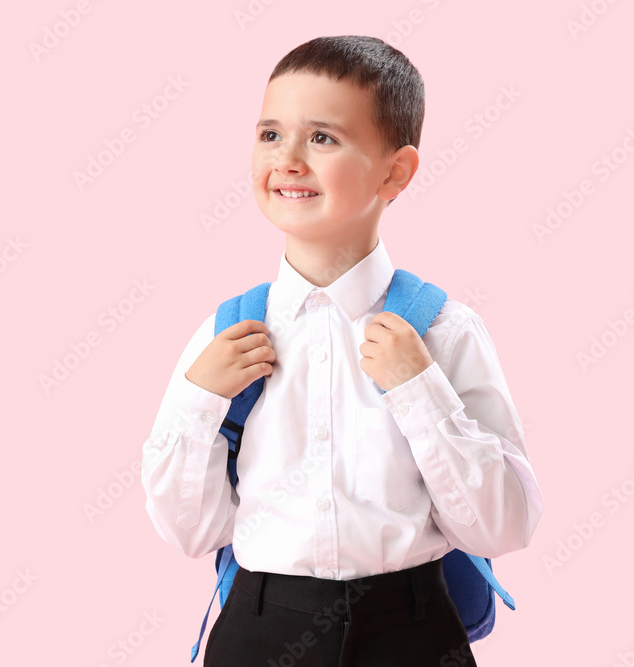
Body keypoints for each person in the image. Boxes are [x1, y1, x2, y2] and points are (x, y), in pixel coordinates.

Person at [140, 35, 544, 666]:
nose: (288, 160)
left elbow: (503, 527)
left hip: (413, 629)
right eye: (270, 134)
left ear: (396, 171)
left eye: (322, 138)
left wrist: (419, 392)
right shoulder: (226, 335)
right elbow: (192, 534)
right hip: (260, 627)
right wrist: (200, 402)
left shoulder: (444, 333)